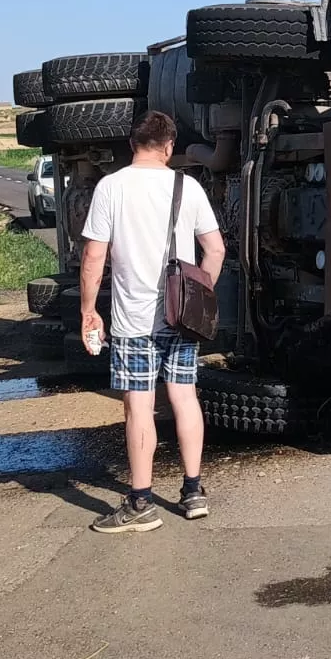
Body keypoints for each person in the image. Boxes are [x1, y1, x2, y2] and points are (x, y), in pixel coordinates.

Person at [79, 110, 224, 533]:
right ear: (169, 146)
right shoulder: (187, 185)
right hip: (180, 318)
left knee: (138, 405)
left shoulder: (112, 187)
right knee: (185, 397)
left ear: (132, 144)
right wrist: (201, 293)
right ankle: (193, 490)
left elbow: (93, 256)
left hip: (132, 321)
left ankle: (141, 502)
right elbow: (214, 250)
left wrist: (89, 310)